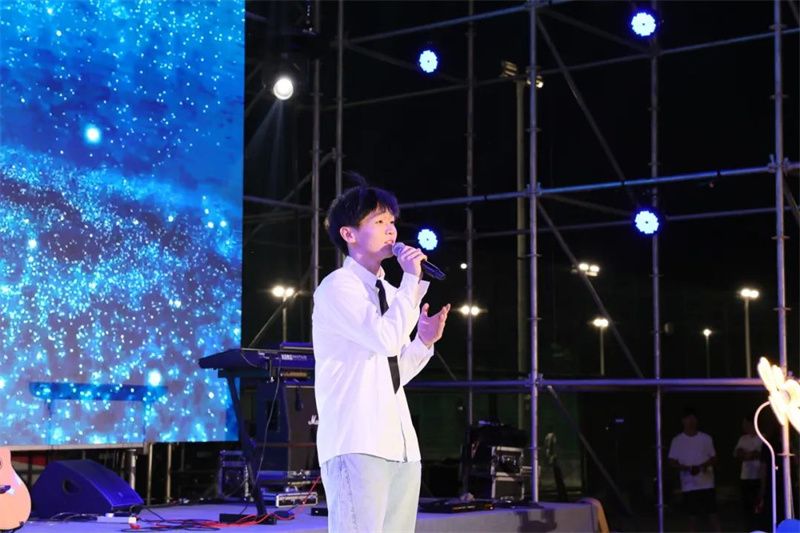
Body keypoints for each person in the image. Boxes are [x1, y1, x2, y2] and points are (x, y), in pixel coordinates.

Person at [312, 184, 451, 532]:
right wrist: (411, 280)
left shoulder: (391, 292)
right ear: (349, 234)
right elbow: (386, 339)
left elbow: (392, 373)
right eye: (378, 221)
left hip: (400, 445)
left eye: (392, 222)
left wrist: (423, 342)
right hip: (357, 440)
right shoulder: (338, 286)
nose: (391, 230)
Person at [667, 407, 720, 532]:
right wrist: (686, 468)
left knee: (713, 515)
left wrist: (703, 466)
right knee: (691, 518)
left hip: (706, 484)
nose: (691, 421)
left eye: (693, 418)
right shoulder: (677, 440)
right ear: (683, 421)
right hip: (689, 485)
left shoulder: (706, 438)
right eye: (688, 419)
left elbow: (714, 458)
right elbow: (671, 461)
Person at [734, 415, 762, 531]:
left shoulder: (762, 437)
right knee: (746, 505)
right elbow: (737, 453)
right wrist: (746, 454)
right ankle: (748, 528)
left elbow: (760, 454)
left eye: (746, 424)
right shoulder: (743, 439)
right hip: (745, 477)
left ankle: (758, 527)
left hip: (758, 476)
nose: (744, 426)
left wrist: (751, 454)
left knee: (758, 504)